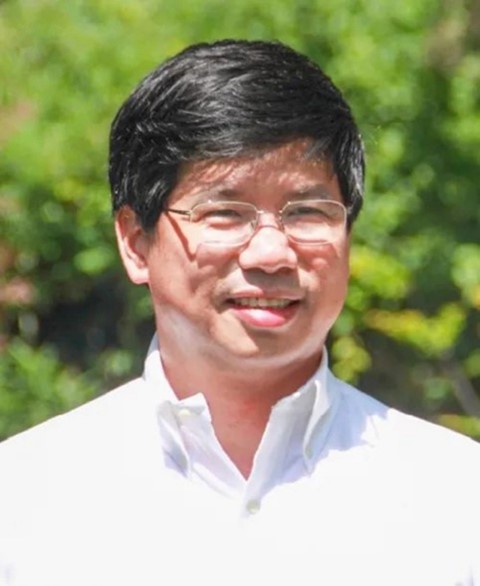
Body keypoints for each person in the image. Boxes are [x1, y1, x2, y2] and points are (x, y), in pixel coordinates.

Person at [0, 39, 478, 586]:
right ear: (136, 243)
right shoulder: (25, 502)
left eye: (307, 212)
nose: (271, 253)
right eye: (225, 213)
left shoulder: (455, 499)